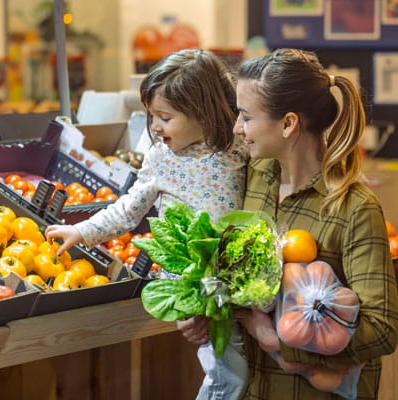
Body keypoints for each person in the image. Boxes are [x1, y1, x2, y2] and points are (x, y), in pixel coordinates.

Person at [177, 48, 398, 399]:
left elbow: (382, 330)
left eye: (246, 117)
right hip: (254, 389)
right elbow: (246, 284)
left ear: (288, 123)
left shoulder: (353, 207)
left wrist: (277, 340)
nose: (237, 128)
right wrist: (209, 310)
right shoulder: (256, 176)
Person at [45, 48, 250, 399]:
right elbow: (128, 209)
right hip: (193, 280)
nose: (154, 126)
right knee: (227, 373)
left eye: (164, 117)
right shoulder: (161, 159)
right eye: (151, 115)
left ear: (202, 112)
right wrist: (82, 231)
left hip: (236, 275)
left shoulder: (237, 146)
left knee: (240, 367)